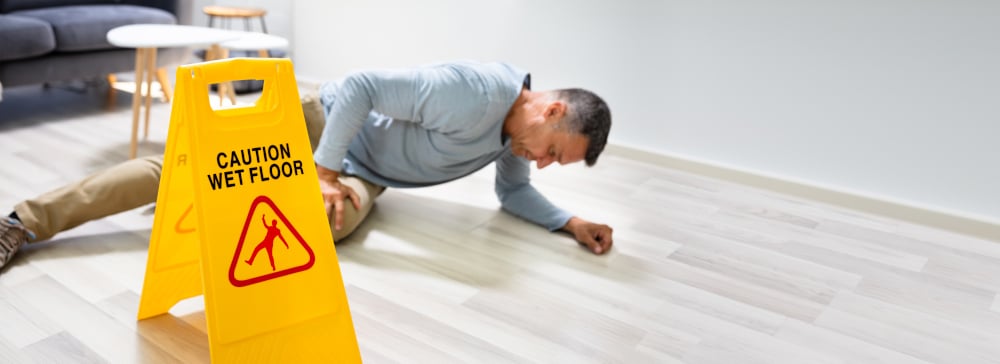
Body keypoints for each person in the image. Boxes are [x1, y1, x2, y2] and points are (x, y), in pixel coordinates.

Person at [0, 60, 614, 272]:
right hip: (325, 122)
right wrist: (320, 168)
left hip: (366, 166)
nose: (545, 164)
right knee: (187, 171)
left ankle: (224, 201)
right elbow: (364, 87)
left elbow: (513, 195)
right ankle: (22, 221)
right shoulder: (476, 93)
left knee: (330, 226)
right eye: (555, 152)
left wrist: (571, 221)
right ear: (551, 110)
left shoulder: (514, 140)